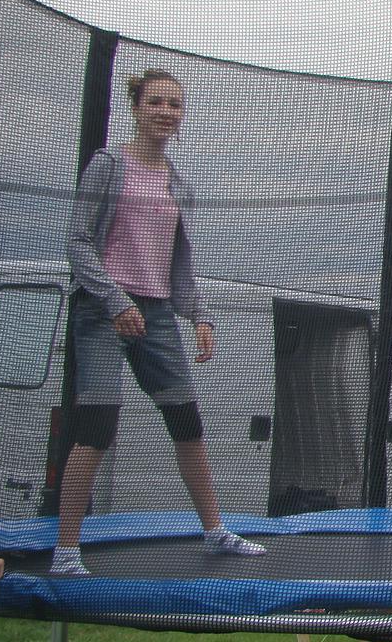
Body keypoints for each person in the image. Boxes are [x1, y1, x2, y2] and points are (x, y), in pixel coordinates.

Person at [51, 69, 265, 575]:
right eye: (156, 102)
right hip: (103, 312)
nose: (166, 112)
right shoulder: (108, 166)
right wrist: (114, 300)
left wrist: (200, 315)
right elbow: (77, 241)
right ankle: (65, 550)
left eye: (174, 105)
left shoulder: (178, 183)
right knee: (96, 427)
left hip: (158, 314)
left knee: (187, 421)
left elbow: (178, 263)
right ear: (136, 108)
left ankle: (214, 531)